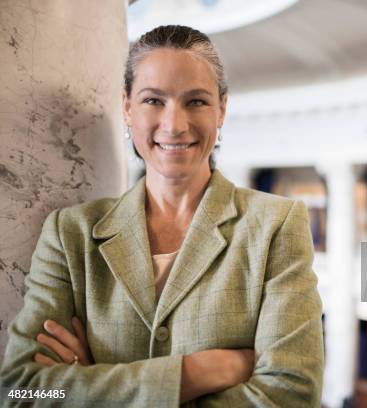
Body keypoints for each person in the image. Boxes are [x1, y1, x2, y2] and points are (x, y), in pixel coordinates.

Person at [0, 25, 324, 407]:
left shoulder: (276, 226)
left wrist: (89, 384)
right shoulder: (71, 233)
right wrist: (200, 372)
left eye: (196, 102)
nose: (174, 125)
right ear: (126, 107)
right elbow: (22, 390)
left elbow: (292, 395)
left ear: (222, 109)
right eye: (154, 100)